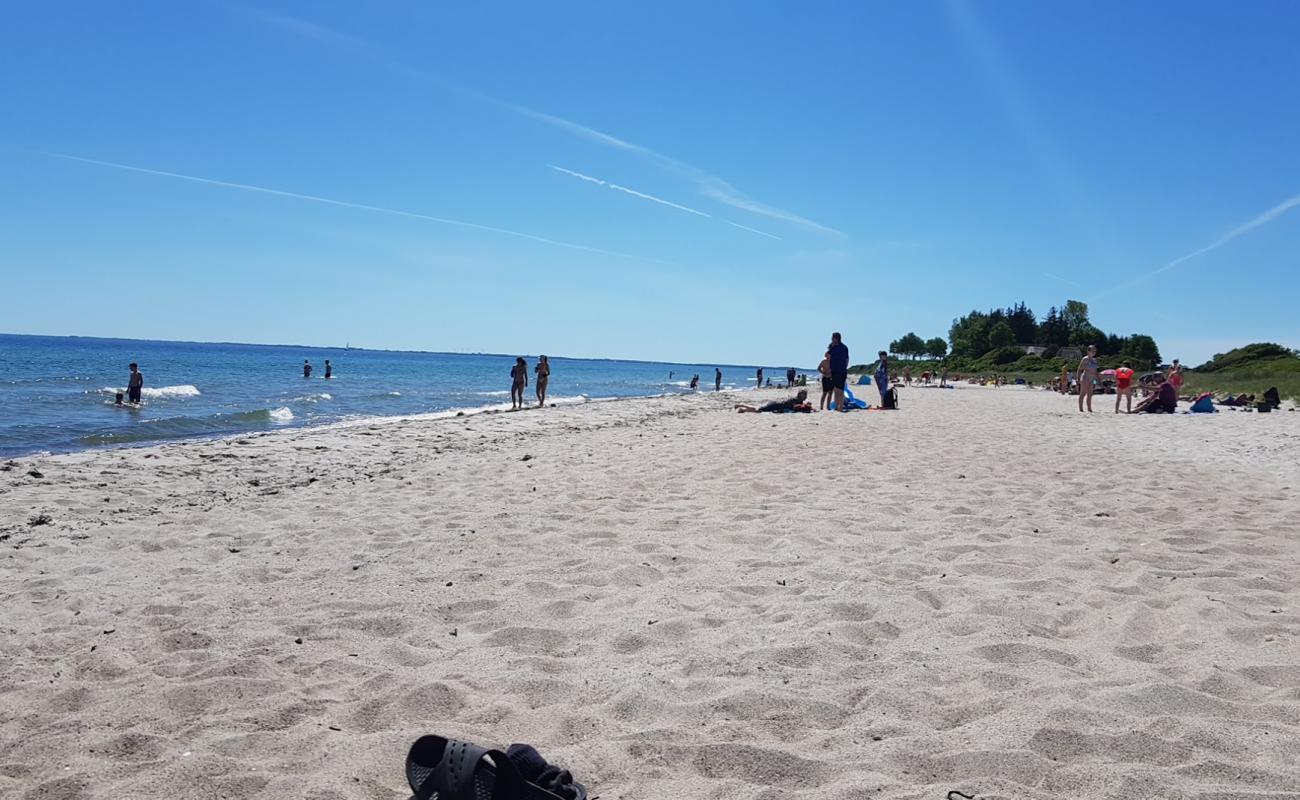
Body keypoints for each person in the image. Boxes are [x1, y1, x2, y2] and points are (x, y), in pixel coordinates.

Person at [735, 389, 809, 413]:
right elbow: (793, 408)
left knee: (759, 409)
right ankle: (742, 407)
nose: (805, 397)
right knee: (758, 410)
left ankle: (742, 407)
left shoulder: (799, 401)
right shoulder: (795, 400)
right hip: (776, 405)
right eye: (804, 395)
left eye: (805, 395)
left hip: (776, 405)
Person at [828, 332, 849, 411]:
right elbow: (827, 355)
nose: (831, 339)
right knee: (838, 389)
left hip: (839, 370)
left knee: (839, 390)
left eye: (832, 338)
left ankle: (839, 406)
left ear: (836, 338)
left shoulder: (841, 347)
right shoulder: (841, 347)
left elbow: (846, 359)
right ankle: (838, 406)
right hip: (838, 370)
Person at [1077, 345, 1099, 412]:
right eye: (1092, 351)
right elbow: (1079, 369)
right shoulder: (1085, 359)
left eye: (1095, 351)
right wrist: (1078, 378)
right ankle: (1081, 408)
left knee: (1090, 394)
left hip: (1092, 378)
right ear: (1088, 351)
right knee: (1083, 393)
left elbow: (1095, 372)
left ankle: (1089, 408)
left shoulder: (1094, 360)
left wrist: (1096, 381)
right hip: (1085, 377)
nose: (1094, 352)